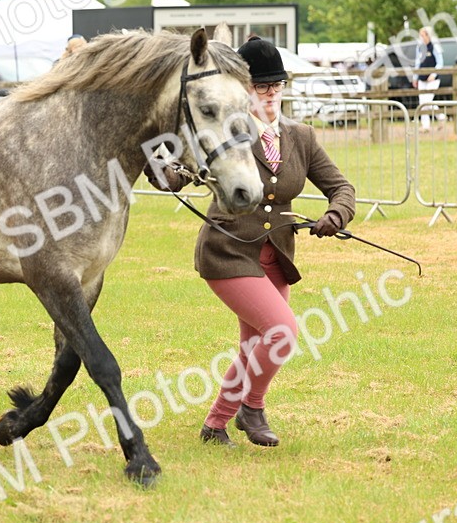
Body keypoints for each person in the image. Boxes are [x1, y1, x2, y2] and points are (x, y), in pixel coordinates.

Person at [146, 37, 356, 447]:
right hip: (227, 251)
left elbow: (342, 188)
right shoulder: (226, 135)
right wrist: (159, 166)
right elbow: (176, 177)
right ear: (245, 91)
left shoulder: (302, 137)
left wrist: (335, 215)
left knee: (256, 346)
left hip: (274, 257)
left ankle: (215, 425)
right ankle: (252, 408)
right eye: (262, 86)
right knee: (282, 331)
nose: (272, 92)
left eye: (277, 84)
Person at [412, 26, 444, 131]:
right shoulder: (419, 47)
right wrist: (415, 77)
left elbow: (440, 63)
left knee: (428, 100)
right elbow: (418, 63)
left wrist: (433, 74)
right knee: (422, 102)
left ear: (428, 35)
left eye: (423, 35)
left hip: (432, 79)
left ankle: (441, 117)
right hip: (422, 78)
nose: (421, 37)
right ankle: (426, 125)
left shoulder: (434, 47)